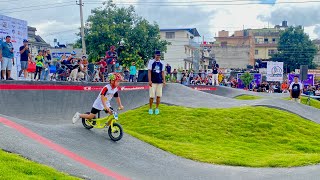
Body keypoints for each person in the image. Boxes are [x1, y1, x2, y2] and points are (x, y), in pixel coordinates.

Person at [148, 50, 166, 115]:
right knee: (152, 96)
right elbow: (149, 71)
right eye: (157, 55)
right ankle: (150, 108)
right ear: (155, 55)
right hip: (152, 81)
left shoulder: (162, 63)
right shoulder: (151, 62)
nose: (158, 56)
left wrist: (164, 80)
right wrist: (149, 80)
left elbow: (163, 72)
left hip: (159, 81)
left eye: (159, 55)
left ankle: (157, 108)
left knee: (158, 95)